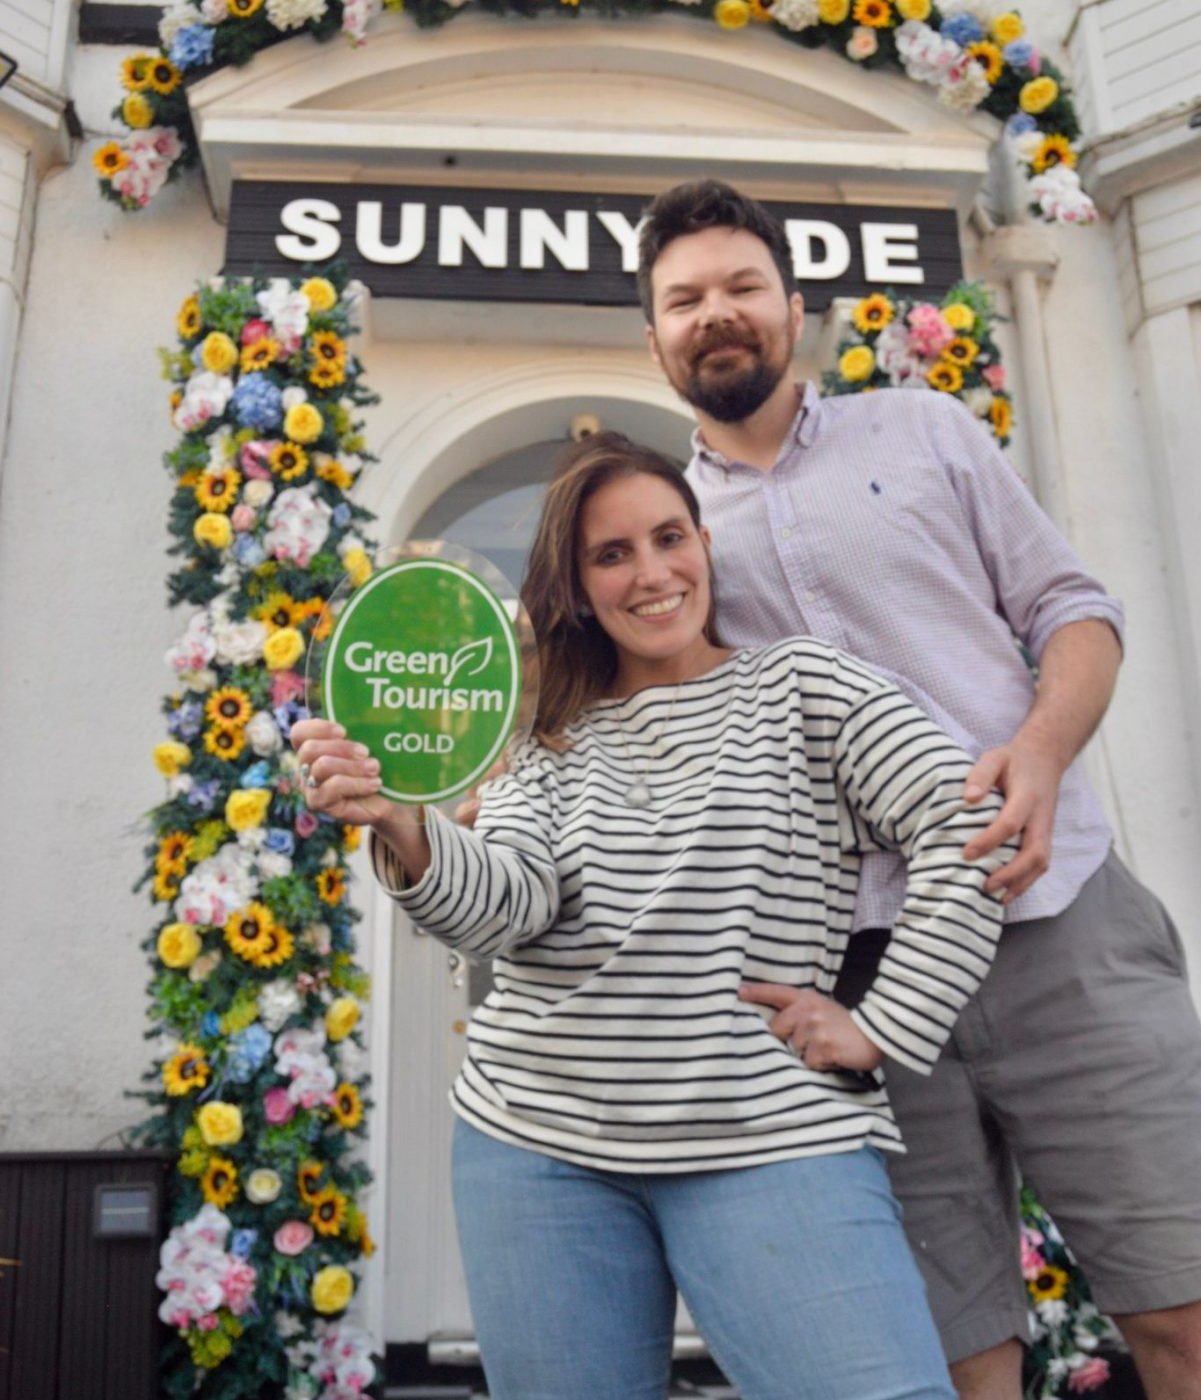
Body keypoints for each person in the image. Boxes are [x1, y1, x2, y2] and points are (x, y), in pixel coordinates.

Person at [293, 433, 1015, 1400]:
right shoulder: (545, 735)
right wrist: (401, 823)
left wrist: (883, 1024)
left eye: (668, 538)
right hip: (535, 1145)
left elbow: (971, 825)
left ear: (704, 545)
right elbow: (506, 906)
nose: (651, 574)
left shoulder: (804, 687)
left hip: (768, 1136)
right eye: (612, 554)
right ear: (576, 586)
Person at [636, 177, 1201, 1400]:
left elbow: (1075, 611)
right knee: (950, 1361)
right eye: (684, 299)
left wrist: (1039, 749)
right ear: (654, 336)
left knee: (1183, 1313)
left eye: (741, 286)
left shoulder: (924, 429)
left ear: (794, 308)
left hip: (1057, 920)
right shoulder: (669, 538)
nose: (715, 313)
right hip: (858, 981)